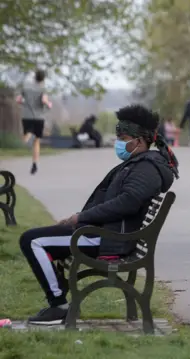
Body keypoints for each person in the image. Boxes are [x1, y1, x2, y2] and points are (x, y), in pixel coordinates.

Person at [19, 104, 179, 325]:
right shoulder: (139, 163)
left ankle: (58, 306)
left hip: (107, 239)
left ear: (139, 141)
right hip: (104, 233)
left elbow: (127, 203)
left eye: (122, 138)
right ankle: (59, 294)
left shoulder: (146, 168)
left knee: (32, 241)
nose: (118, 143)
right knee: (39, 238)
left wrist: (80, 219)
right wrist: (77, 219)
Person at [15, 69, 53, 175]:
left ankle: (26, 138)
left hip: (26, 116)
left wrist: (24, 104)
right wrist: (49, 105)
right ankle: (35, 163)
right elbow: (44, 101)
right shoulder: (43, 88)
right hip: (39, 117)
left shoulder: (26, 87)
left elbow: (18, 100)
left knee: (27, 134)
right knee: (37, 141)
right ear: (43, 78)